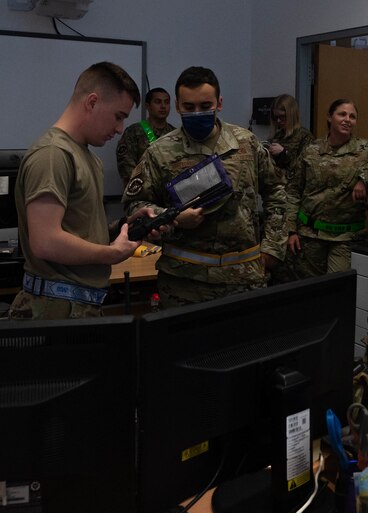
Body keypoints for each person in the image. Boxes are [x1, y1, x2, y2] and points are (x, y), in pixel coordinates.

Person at [122, 66, 287, 309]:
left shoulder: (246, 143)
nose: (197, 113)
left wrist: (273, 247)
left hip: (243, 279)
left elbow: (276, 191)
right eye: (189, 108)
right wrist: (175, 218)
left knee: (242, 348)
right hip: (183, 283)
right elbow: (135, 206)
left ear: (219, 103)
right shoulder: (159, 152)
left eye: (205, 106)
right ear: (177, 106)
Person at [9, 62, 161, 320]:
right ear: (92, 102)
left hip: (79, 306)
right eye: (118, 116)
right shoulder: (53, 154)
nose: (120, 128)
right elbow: (45, 242)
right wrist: (113, 254)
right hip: (55, 310)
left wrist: (124, 226)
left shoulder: (88, 158)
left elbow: (78, 227)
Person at [276, 98, 368, 282]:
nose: (347, 119)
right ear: (330, 117)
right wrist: (291, 230)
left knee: (337, 291)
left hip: (343, 238)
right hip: (308, 234)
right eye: (342, 114)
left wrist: (365, 180)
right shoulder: (311, 150)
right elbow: (294, 190)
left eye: (352, 116)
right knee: (309, 292)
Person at [115, 87, 176, 187]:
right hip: (142, 192)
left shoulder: (174, 133)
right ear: (147, 106)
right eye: (158, 102)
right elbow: (126, 167)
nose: (163, 106)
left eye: (166, 102)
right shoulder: (134, 132)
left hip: (170, 193)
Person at [267, 93, 313, 170]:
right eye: (276, 117)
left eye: (282, 116)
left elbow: (305, 168)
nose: (278, 121)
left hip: (293, 181)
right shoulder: (278, 135)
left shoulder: (305, 136)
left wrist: (284, 153)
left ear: (291, 114)